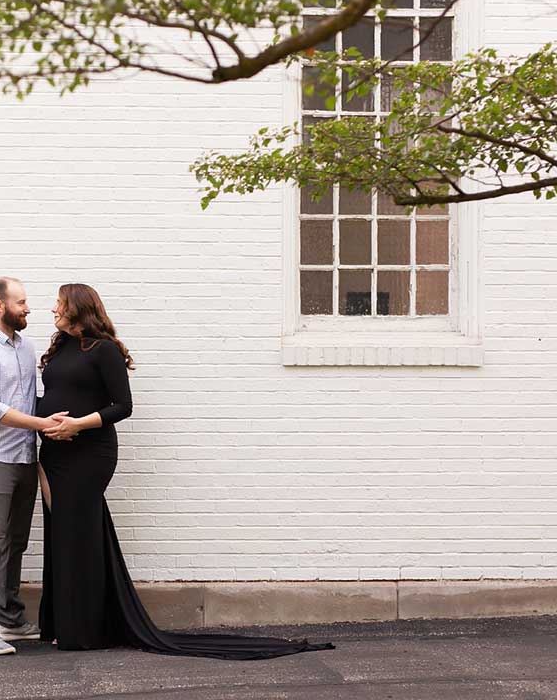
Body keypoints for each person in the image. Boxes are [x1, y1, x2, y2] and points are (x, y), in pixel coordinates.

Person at [36, 283, 334, 660]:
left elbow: (122, 407)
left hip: (89, 455)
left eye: (59, 305)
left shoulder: (105, 351)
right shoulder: (59, 348)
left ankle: (82, 630)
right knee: (61, 535)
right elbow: (50, 397)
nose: (53, 311)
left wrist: (77, 425)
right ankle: (61, 623)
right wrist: (40, 422)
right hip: (54, 455)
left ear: (79, 309)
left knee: (80, 538)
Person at [0, 277, 68, 656]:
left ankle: (9, 617)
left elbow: (30, 398)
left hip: (25, 456)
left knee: (17, 542)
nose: (28, 308)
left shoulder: (27, 349)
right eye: (21, 302)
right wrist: (44, 425)